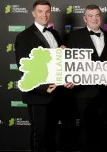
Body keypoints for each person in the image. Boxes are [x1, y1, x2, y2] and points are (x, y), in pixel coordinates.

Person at [14, 0, 75, 151]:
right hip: (38, 94)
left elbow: (58, 63)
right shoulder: (24, 36)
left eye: (47, 11)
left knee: (52, 134)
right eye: (40, 11)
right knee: (39, 135)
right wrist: (44, 87)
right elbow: (24, 67)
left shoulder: (54, 33)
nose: (44, 15)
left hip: (56, 94)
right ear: (33, 13)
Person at [65, 4, 107, 152]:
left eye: (97, 15)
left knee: (103, 129)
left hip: (105, 91)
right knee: (85, 130)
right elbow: (67, 62)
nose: (94, 18)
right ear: (85, 18)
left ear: (101, 17)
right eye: (91, 16)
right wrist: (68, 78)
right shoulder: (74, 36)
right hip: (83, 92)